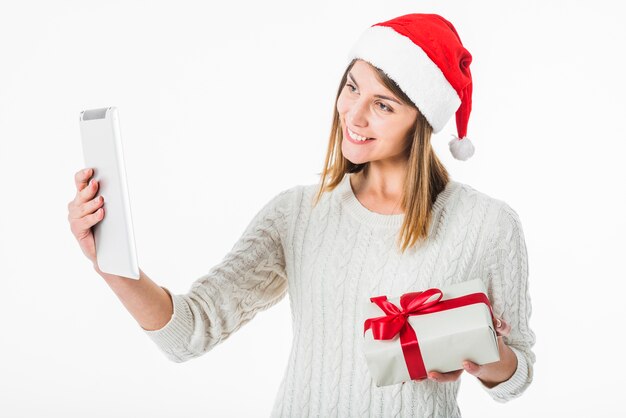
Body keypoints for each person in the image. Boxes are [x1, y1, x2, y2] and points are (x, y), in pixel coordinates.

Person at [67, 13, 535, 418]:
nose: (354, 115)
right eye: (352, 87)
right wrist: (110, 265)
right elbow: (189, 333)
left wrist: (483, 359)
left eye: (383, 105)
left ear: (423, 120)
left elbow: (519, 374)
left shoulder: (486, 225)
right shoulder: (297, 215)